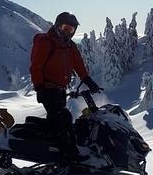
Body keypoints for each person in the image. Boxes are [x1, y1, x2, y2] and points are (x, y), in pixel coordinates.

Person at [29, 11, 101, 159]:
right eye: (65, 28)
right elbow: (36, 67)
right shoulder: (47, 43)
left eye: (71, 29)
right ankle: (69, 154)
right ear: (57, 26)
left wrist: (88, 81)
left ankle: (52, 150)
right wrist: (40, 87)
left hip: (61, 90)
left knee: (56, 120)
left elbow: (79, 65)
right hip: (48, 89)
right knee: (64, 118)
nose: (68, 32)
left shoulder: (70, 46)